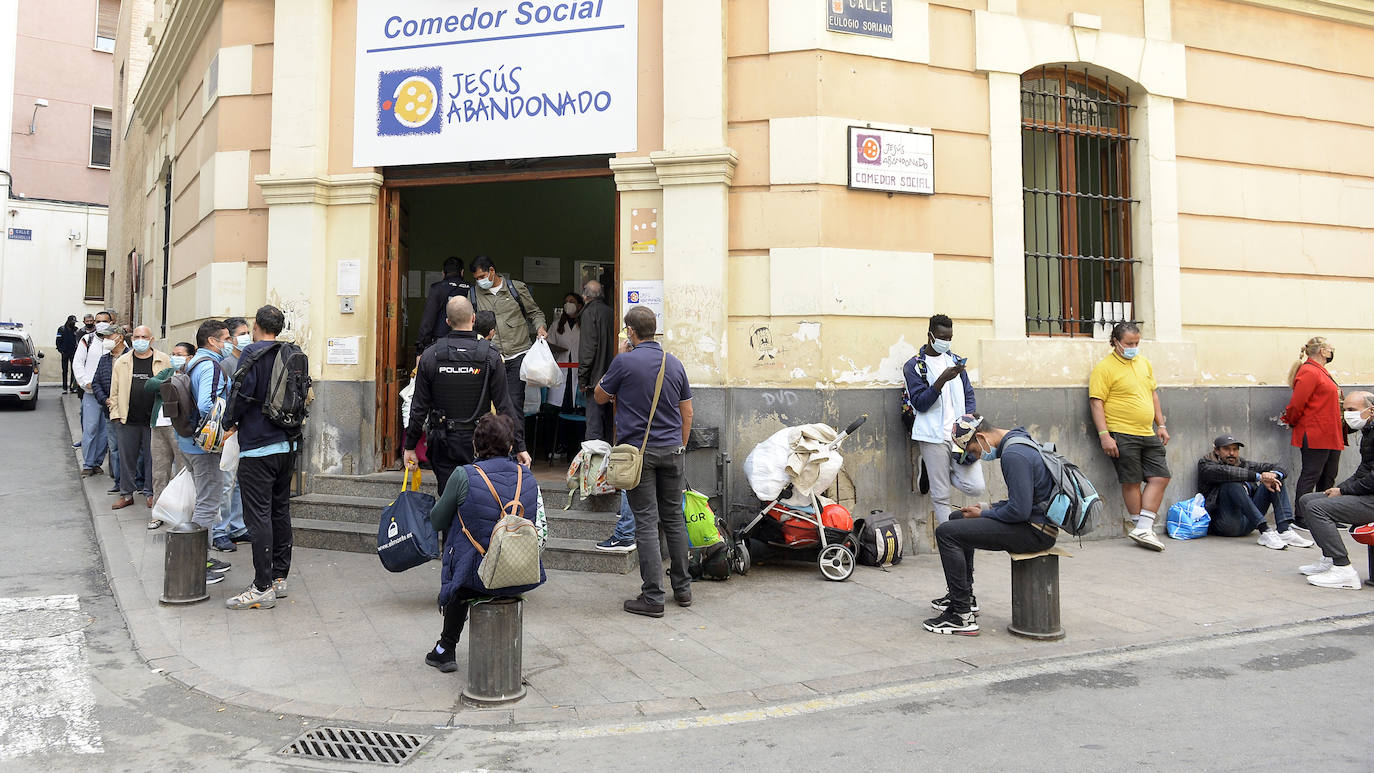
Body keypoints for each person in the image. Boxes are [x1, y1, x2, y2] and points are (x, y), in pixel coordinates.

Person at [422, 414, 545, 672]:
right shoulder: (528, 477)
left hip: (476, 578)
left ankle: (445, 649)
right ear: (510, 446)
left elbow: (437, 520)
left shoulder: (464, 475)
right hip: (522, 573)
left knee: (461, 571)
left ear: (475, 445)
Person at [595, 306, 694, 617]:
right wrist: (680, 446)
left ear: (631, 332)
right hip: (672, 450)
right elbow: (687, 412)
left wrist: (620, 357)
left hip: (639, 454)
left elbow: (599, 396)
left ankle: (653, 597)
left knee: (647, 523)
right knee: (674, 519)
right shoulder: (673, 363)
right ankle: (683, 589)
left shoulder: (624, 361)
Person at [924, 414, 1059, 636]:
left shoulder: (1013, 455)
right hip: (1036, 523)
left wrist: (986, 513)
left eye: (973, 451)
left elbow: (1019, 511)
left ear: (981, 437)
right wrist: (987, 508)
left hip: (1036, 532)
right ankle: (965, 597)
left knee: (946, 533)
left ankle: (961, 616)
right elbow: (1025, 501)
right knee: (957, 519)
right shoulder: (1020, 441)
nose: (976, 457)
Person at [404, 297, 530, 495]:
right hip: (480, 442)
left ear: (447, 321)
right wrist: (520, 446)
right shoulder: (490, 355)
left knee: (448, 496)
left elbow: (418, 407)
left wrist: (410, 446)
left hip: (443, 442)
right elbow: (504, 405)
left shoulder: (431, 355)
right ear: (473, 318)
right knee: (479, 496)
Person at [223, 305, 299, 611]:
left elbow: (241, 395)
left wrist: (228, 423)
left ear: (256, 325)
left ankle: (261, 587)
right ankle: (279, 577)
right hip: (287, 446)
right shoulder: (290, 352)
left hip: (258, 447)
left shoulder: (252, 353)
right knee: (280, 511)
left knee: (258, 516)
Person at [1089, 321, 1171, 552]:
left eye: (1137, 343)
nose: (1134, 347)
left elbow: (1153, 395)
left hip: (1147, 431)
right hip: (1122, 432)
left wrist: (1161, 425)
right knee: (1131, 480)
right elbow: (1096, 402)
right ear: (1115, 342)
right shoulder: (1104, 368)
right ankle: (1142, 528)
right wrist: (1104, 435)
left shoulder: (1143, 363)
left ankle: (1143, 527)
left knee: (1161, 476)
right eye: (1129, 343)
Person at [903, 314, 985, 526]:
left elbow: (968, 394)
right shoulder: (914, 366)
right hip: (932, 437)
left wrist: (968, 422)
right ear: (930, 336)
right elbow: (920, 403)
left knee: (976, 486)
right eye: (942, 337)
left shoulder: (955, 361)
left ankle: (930, 469)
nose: (946, 342)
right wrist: (940, 381)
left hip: (959, 435)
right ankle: (949, 538)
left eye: (949, 338)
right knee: (941, 495)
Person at [1295, 391, 1374, 590]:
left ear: (1371, 410)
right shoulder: (1369, 431)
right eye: (1344, 410)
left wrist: (1345, 491)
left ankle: (1343, 569)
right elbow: (1363, 470)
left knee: (1317, 508)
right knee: (1307, 500)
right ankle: (1329, 558)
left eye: (1352, 410)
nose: (1347, 415)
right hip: (1368, 495)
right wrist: (1340, 488)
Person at [181, 319, 234, 586]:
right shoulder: (210, 366)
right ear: (213, 341)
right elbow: (206, 405)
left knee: (204, 499)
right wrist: (226, 427)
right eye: (226, 338)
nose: (230, 343)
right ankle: (198, 565)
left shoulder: (192, 362)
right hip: (204, 448)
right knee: (208, 502)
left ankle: (205, 557)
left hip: (188, 443)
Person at [1196, 434, 1313, 549]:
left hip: (1249, 522)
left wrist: (1274, 475)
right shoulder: (1206, 465)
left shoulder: (1243, 464)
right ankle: (1265, 530)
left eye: (1235, 449)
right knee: (1231, 483)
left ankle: (1284, 530)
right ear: (1217, 451)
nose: (1231, 453)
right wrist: (1260, 477)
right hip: (1226, 524)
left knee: (1275, 480)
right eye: (1226, 449)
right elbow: (1227, 472)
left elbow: (1281, 466)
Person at [468, 255, 546, 416]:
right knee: (488, 405)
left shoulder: (516, 288)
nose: (480, 281)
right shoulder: (473, 294)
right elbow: (470, 324)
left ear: (492, 271)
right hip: (491, 356)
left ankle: (516, 434)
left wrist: (540, 328)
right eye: (476, 278)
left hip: (518, 355)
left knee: (514, 403)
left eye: (482, 276)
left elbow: (535, 313)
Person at [1281, 337, 1344, 517]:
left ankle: (1324, 513)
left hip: (1331, 432)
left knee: (1329, 475)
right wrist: (1291, 420)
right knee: (1312, 474)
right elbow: (1297, 404)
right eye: (1330, 348)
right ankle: (1302, 516)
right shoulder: (1309, 371)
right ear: (1322, 351)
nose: (1332, 352)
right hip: (1316, 432)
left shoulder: (1321, 371)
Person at [108, 326, 168, 511]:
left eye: (144, 337)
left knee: (153, 459)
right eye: (136, 337)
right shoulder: (122, 361)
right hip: (127, 419)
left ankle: (151, 493)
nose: (140, 340)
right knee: (127, 459)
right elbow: (114, 391)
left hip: (154, 420)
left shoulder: (163, 360)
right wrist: (115, 414)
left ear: (151, 339)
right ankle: (126, 494)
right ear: (131, 339)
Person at [212, 317, 252, 552]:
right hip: (229, 430)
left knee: (238, 483)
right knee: (226, 483)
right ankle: (219, 531)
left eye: (248, 332)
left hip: (244, 429)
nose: (246, 337)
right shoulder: (225, 364)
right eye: (241, 334)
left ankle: (237, 527)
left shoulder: (249, 360)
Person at [145, 341, 194, 528]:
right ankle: (158, 512)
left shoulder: (191, 374)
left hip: (178, 428)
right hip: (158, 426)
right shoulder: (168, 372)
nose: (174, 357)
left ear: (190, 357)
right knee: (159, 472)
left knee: (183, 471)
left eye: (179, 354)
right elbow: (150, 384)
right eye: (173, 354)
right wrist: (170, 384)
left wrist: (167, 387)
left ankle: (182, 514)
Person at [74, 310, 113, 475]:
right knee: (90, 428)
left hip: (109, 395)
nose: (101, 324)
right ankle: (88, 464)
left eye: (105, 321)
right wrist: (84, 381)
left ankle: (97, 462)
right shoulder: (87, 340)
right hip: (91, 393)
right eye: (98, 321)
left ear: (111, 323)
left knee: (105, 431)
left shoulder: (116, 341)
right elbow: (78, 363)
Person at [92, 325, 129, 495]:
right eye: (104, 337)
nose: (106, 340)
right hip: (110, 411)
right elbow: (96, 383)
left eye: (109, 336)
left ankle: (137, 480)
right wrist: (104, 399)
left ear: (119, 337)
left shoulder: (131, 357)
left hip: (129, 411)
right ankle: (119, 482)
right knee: (114, 448)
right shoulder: (104, 360)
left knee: (132, 449)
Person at [578, 280, 616, 442]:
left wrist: (583, 379)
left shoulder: (588, 313)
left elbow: (588, 349)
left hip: (595, 378)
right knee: (609, 425)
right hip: (612, 376)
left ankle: (595, 458)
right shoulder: (611, 312)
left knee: (594, 427)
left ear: (584, 296)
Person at [417, 257, 472, 352]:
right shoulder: (471, 289)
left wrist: (421, 346)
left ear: (443, 273)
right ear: (462, 272)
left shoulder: (437, 289)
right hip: (467, 343)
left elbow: (428, 320)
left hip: (441, 342)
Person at [546, 291, 583, 412]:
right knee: (558, 405)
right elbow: (548, 344)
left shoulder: (585, 324)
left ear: (579, 306)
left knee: (576, 404)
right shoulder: (556, 325)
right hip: (560, 368)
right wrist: (559, 349)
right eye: (566, 302)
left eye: (572, 302)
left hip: (578, 370)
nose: (568, 304)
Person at [56, 315, 79, 393]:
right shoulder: (61, 329)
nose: (73, 323)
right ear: (68, 321)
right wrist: (61, 350)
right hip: (65, 352)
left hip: (73, 352)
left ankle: (73, 387)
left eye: (74, 322)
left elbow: (77, 340)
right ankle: (65, 388)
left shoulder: (76, 329)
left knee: (74, 370)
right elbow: (58, 340)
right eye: (72, 322)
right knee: (65, 370)